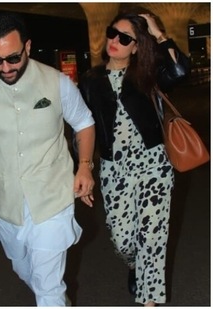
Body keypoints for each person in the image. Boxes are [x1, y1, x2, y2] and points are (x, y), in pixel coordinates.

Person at [0, 12, 96, 306]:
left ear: (27, 47)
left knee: (48, 286)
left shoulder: (57, 83)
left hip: (53, 197)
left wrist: (84, 167)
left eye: (13, 58)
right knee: (24, 269)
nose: (5, 67)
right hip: (5, 204)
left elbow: (83, 121)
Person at [78, 12, 190, 306]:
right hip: (115, 171)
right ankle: (134, 265)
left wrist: (158, 33)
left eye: (125, 38)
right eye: (113, 33)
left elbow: (179, 70)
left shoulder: (147, 74)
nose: (114, 41)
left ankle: (148, 300)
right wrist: (83, 168)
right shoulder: (91, 80)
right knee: (122, 239)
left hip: (154, 166)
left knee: (152, 238)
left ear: (137, 46)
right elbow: (82, 127)